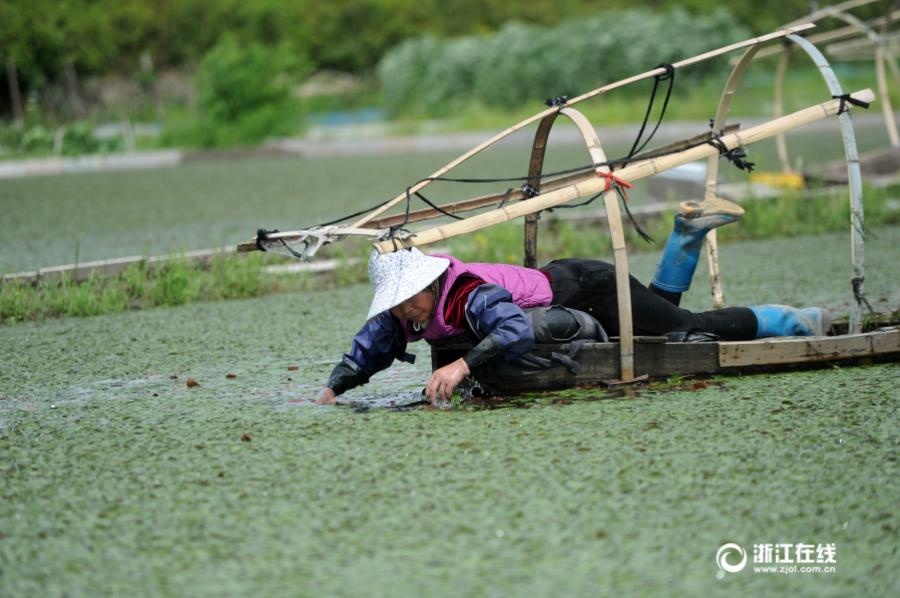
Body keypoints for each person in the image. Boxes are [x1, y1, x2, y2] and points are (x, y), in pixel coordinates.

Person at [316, 199, 827, 405]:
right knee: (658, 319)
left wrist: (461, 366)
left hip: (587, 287)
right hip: (569, 284)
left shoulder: (470, 293)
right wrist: (334, 388)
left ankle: (790, 320)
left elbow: (513, 332)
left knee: (681, 330)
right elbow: (370, 347)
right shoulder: (405, 313)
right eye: (399, 306)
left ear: (429, 284)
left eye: (410, 302)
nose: (407, 312)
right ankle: (687, 233)